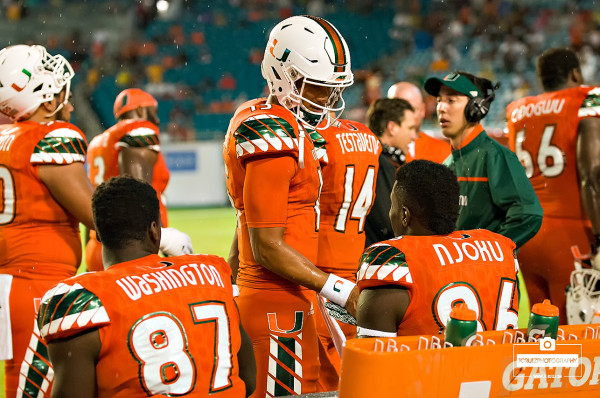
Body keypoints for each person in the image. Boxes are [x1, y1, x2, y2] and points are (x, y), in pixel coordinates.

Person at [223, 15, 359, 397]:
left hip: (290, 296)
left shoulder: (286, 124)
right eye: (318, 88)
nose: (329, 100)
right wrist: (337, 288)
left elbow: (246, 225)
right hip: (275, 304)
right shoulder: (273, 131)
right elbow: (266, 244)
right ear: (284, 76)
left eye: (332, 89)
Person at [37, 175, 256, 397]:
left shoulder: (85, 301)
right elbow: (248, 379)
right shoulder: (213, 272)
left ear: (100, 234)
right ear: (154, 231)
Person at [0, 44, 95, 398]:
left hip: (12, 281)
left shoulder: (7, 138)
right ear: (39, 93)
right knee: (36, 389)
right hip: (36, 285)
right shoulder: (52, 138)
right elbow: (97, 216)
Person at [356, 160, 520, 338]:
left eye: (392, 205)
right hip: (499, 364)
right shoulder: (500, 249)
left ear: (404, 215)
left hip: (430, 365)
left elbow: (372, 361)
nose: (390, 213)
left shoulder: (395, 261)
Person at [506, 48, 600, 322]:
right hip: (571, 233)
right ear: (575, 73)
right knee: (580, 332)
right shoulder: (585, 99)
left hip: (530, 238)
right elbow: (592, 174)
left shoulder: (517, 110)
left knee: (545, 331)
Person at [423, 71, 543, 251]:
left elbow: (529, 214)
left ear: (476, 108)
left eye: (451, 100)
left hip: (486, 275)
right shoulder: (447, 165)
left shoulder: (496, 157)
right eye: (439, 100)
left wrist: (488, 252)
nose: (441, 107)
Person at [312, 113, 380, 389]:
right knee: (354, 366)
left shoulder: (316, 138)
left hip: (317, 269)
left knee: (322, 375)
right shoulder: (368, 137)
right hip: (354, 267)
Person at [86, 88, 171, 272]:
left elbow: (96, 201)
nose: (156, 120)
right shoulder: (138, 129)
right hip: (130, 249)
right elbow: (139, 199)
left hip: (100, 244)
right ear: (140, 111)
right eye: (153, 112)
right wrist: (166, 242)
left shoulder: (98, 141)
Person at [363, 98, 418, 247]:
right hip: (377, 256)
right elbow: (389, 223)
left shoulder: (370, 154)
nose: (414, 136)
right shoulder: (381, 162)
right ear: (392, 127)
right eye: (410, 128)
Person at [387, 81, 452, 163]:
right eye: (398, 109)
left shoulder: (443, 151)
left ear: (423, 109)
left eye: (412, 109)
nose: (405, 116)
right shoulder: (375, 149)